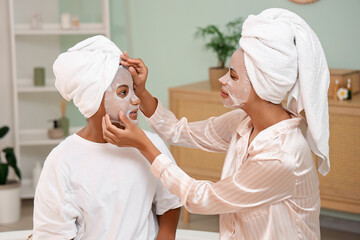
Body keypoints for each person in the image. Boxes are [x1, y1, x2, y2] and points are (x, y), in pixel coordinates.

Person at [102, 8, 330, 240]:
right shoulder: (244, 123)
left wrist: (144, 145)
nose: (222, 80)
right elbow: (180, 131)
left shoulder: (281, 157)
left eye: (232, 76)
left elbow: (202, 198)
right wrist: (142, 91)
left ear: (262, 85)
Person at [33, 36, 181, 240]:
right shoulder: (62, 160)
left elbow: (171, 201)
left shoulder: (150, 145)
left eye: (134, 89)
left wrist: (166, 235)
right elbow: (53, 232)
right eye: (123, 92)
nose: (136, 99)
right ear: (92, 100)